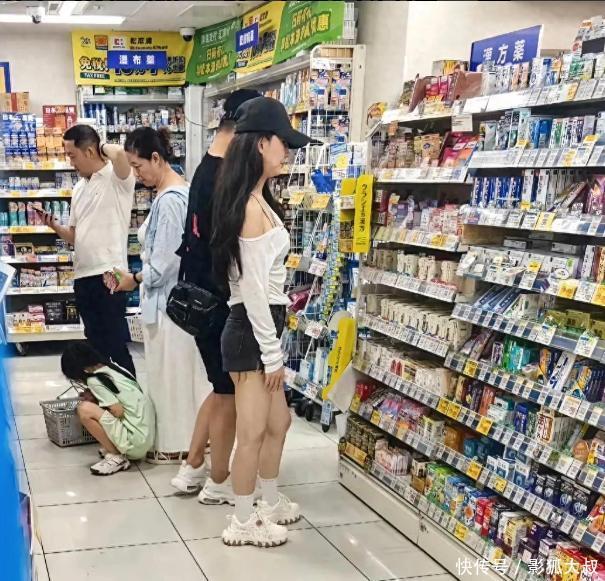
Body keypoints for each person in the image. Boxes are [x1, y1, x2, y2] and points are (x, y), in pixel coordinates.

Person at [211, 97, 311, 547]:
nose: (286, 151)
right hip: (251, 331)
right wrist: (272, 355)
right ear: (260, 144)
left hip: (261, 326)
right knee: (250, 432)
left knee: (279, 423)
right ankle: (241, 520)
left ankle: (267, 502)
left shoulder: (258, 200)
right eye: (282, 142)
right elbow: (251, 291)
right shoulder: (251, 210)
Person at [171, 89, 261, 502]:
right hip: (218, 300)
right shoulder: (226, 175)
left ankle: (193, 467)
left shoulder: (207, 166)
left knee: (218, 385)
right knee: (227, 391)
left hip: (199, 296)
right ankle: (219, 480)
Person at [111, 127, 210, 463]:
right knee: (182, 375)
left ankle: (176, 445)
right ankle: (191, 442)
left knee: (170, 377)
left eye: (138, 166)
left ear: (156, 158)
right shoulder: (183, 191)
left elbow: (166, 261)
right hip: (177, 302)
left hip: (168, 304)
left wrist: (135, 278)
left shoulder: (169, 201)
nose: (136, 175)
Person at [43, 125, 136, 376]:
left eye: (73, 155)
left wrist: (100, 146)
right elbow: (75, 236)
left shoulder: (117, 179)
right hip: (83, 276)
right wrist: (55, 226)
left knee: (115, 344)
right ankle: (105, 395)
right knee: (95, 347)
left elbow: (120, 154)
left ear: (90, 151)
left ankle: (130, 394)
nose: (70, 162)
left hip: (110, 273)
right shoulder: (78, 189)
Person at [61, 342, 155, 476]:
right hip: (145, 437)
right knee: (92, 408)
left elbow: (118, 411)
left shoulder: (94, 380)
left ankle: (117, 456)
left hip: (134, 443)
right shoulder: (113, 367)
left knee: (84, 409)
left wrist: (96, 403)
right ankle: (117, 448)